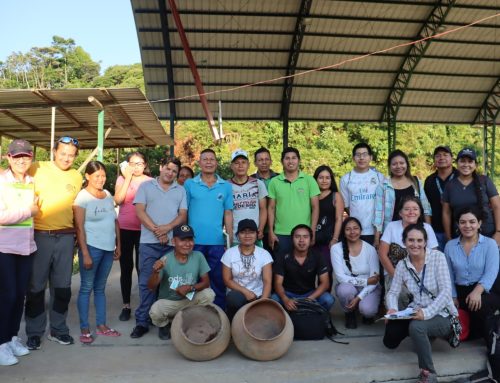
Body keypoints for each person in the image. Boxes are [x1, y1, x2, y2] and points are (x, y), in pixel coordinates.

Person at [25, 136, 82, 350]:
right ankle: (34, 332)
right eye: (63, 153)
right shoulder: (36, 167)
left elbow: (77, 209)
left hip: (66, 237)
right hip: (39, 235)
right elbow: (12, 178)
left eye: (71, 155)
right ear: (54, 151)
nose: (66, 158)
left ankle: (58, 329)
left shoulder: (76, 176)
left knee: (63, 288)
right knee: (36, 288)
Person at [383, 224, 457, 383]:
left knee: (416, 327)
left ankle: (429, 373)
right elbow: (393, 292)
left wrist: (426, 313)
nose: (415, 244)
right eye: (411, 240)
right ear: (404, 242)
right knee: (390, 337)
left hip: (442, 313)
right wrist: (393, 309)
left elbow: (445, 292)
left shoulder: (438, 257)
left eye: (419, 240)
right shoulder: (403, 264)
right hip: (416, 311)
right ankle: (425, 336)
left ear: (425, 242)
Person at [130, 157, 187, 338]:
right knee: (147, 282)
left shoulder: (181, 190)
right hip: (149, 243)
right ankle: (142, 321)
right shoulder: (146, 187)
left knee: (170, 283)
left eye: (174, 172)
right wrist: (157, 231)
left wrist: (168, 229)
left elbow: (182, 215)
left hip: (171, 245)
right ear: (161, 167)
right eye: (168, 169)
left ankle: (164, 321)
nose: (170, 173)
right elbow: (140, 211)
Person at [74, 161, 121, 344]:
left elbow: (115, 222)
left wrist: (119, 245)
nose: (101, 179)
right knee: (86, 288)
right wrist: (84, 253)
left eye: (103, 176)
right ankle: (85, 328)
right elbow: (79, 227)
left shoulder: (108, 194)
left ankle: (102, 325)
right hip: (92, 248)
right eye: (96, 176)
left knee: (100, 288)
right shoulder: (82, 198)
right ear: (87, 176)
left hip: (109, 248)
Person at [0, 140, 38, 366]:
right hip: (4, 248)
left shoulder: (32, 182)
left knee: (19, 297)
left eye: (25, 156)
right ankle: (1, 343)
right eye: (17, 157)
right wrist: (29, 210)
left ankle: (12, 337)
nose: (22, 160)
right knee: (7, 296)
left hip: (26, 248)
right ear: (8, 158)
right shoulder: (1, 182)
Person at [184, 148, 233, 309]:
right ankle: (192, 314)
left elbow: (228, 213)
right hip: (193, 243)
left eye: (212, 159)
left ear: (216, 163)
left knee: (218, 280)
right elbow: (183, 212)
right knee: (193, 281)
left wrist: (230, 240)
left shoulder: (225, 186)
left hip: (217, 243)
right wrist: (183, 237)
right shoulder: (190, 184)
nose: (209, 162)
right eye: (205, 159)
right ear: (200, 163)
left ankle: (219, 314)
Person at [148, 224, 215, 340]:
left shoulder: (198, 256)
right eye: (183, 240)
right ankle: (165, 324)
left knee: (209, 294)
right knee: (155, 311)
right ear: (173, 241)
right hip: (171, 302)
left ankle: (192, 319)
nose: (187, 244)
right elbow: (151, 287)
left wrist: (191, 288)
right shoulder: (165, 260)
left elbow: (206, 282)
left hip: (190, 298)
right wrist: (155, 272)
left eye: (190, 240)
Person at [445, 206, 500, 341]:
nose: (467, 225)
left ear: (479, 223)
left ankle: (491, 335)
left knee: (480, 308)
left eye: (472, 221)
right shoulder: (450, 246)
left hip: (485, 291)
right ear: (458, 224)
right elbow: (448, 275)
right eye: (463, 222)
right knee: (458, 325)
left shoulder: (490, 244)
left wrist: (477, 291)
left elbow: (491, 272)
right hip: (460, 291)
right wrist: (452, 296)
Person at [114, 152, 152, 322]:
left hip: (145, 230)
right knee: (126, 268)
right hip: (125, 228)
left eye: (140, 163)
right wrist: (127, 178)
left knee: (143, 268)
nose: (136, 166)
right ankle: (126, 305)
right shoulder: (121, 180)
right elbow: (118, 200)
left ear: (145, 165)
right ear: (127, 164)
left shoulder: (150, 182)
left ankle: (146, 305)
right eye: (133, 163)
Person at [378, 196, 438, 297]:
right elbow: (382, 254)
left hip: (422, 275)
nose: (411, 212)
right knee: (400, 294)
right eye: (407, 209)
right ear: (400, 213)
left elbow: (434, 256)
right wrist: (398, 279)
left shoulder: (427, 228)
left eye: (415, 209)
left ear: (420, 212)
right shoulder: (391, 227)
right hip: (394, 273)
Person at [268, 147, 320, 259]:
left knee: (303, 269)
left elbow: (315, 207)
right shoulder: (274, 182)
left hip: (304, 234)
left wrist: (312, 231)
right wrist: (271, 232)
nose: (290, 161)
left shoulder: (309, 180)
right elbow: (271, 208)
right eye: (287, 158)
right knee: (281, 269)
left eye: (294, 158)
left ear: (299, 160)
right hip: (281, 234)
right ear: (282, 161)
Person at [442, 148, 500, 245]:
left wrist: (498, 232)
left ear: (475, 165)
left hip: (488, 234)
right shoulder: (450, 185)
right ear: (457, 163)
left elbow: (497, 206)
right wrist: (448, 237)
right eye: (462, 161)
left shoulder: (485, 181)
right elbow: (446, 212)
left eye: (470, 161)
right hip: (461, 235)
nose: (466, 165)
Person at [374, 149, 431, 247]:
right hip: (392, 233)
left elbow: (425, 207)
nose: (398, 166)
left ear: (407, 164)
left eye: (401, 163)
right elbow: (379, 213)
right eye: (394, 164)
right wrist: (377, 238)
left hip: (416, 232)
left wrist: (429, 230)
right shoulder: (383, 185)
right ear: (389, 166)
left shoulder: (416, 182)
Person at [331, 217, 381, 329]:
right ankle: (349, 312)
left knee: (368, 310)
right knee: (345, 290)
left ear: (361, 230)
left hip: (369, 287)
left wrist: (359, 297)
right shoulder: (336, 249)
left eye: (355, 228)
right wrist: (365, 280)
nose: (352, 232)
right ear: (343, 232)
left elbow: (374, 279)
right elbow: (340, 277)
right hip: (350, 286)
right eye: (348, 229)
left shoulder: (370, 249)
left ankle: (363, 311)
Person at [272, 224, 334, 312]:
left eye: (305, 237)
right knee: (274, 299)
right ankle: (286, 318)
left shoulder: (318, 255)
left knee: (328, 299)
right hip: (288, 293)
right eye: (297, 237)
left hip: (309, 293)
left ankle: (318, 318)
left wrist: (309, 299)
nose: (301, 240)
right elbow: (278, 283)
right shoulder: (282, 256)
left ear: (310, 239)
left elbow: (325, 283)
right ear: (292, 239)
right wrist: (285, 299)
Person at [222, 219, 273, 320]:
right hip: (238, 293)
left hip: (258, 294)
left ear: (256, 234)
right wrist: (246, 292)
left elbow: (267, 281)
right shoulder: (229, 253)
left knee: (272, 303)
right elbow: (227, 280)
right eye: (243, 232)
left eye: (251, 232)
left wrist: (262, 301)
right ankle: (235, 321)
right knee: (234, 299)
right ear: (238, 235)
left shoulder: (264, 254)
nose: (247, 235)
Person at [340, 143, 384, 245]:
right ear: (353, 158)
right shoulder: (346, 179)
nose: (361, 158)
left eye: (364, 154)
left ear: (371, 157)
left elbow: (383, 205)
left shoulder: (379, 177)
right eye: (358, 155)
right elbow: (346, 206)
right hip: (355, 232)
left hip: (376, 231)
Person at [313, 165, 344, 288]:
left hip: (329, 241)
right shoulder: (312, 196)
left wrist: (335, 239)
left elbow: (338, 219)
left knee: (326, 272)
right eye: (321, 177)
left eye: (327, 177)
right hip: (313, 240)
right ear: (315, 179)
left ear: (331, 180)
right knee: (311, 271)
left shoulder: (335, 196)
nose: (324, 180)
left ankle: (324, 303)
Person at [229, 149, 267, 245]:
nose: (240, 166)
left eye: (243, 162)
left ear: (248, 165)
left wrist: (261, 229)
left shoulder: (258, 183)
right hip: (234, 237)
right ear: (231, 166)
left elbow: (263, 209)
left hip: (254, 235)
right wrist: (228, 235)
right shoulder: (226, 186)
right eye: (237, 163)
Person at [424, 146, 457, 251]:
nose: (441, 158)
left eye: (445, 155)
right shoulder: (429, 180)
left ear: (452, 158)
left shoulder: (460, 177)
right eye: (438, 156)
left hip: (459, 230)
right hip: (436, 232)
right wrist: (429, 231)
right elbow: (426, 206)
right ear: (434, 160)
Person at [250, 147, 278, 255]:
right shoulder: (250, 180)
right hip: (257, 230)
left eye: (266, 159)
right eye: (260, 160)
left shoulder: (279, 179)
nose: (264, 162)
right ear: (255, 163)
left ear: (271, 161)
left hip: (277, 228)